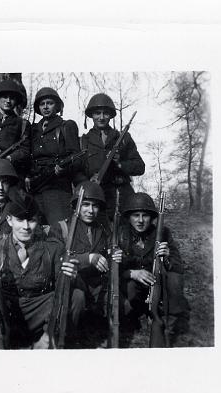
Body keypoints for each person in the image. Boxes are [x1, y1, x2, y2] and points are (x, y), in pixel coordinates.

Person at [0, 190, 83, 348]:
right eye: (20, 220)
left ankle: (50, 338)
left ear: (38, 221)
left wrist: (72, 277)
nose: (26, 227)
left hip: (40, 313)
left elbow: (69, 287)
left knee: (76, 295)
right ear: (9, 220)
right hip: (4, 312)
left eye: (31, 220)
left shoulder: (53, 248)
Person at [119, 192, 190, 345]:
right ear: (129, 217)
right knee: (129, 291)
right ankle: (138, 314)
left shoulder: (163, 233)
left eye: (145, 215)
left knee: (174, 279)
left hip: (157, 286)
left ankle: (162, 318)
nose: (140, 220)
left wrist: (167, 256)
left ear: (151, 218)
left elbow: (178, 266)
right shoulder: (121, 235)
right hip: (133, 287)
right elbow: (113, 269)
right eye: (136, 215)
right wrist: (131, 273)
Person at [49, 181, 122, 317]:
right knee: (78, 300)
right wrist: (88, 258)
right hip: (72, 285)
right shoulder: (61, 228)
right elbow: (56, 260)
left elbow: (110, 254)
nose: (90, 210)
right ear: (75, 205)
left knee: (121, 306)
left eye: (95, 206)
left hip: (97, 287)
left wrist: (116, 256)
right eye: (86, 204)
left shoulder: (103, 230)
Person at [78, 93, 145, 222]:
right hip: (96, 198)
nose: (101, 117)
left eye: (106, 113)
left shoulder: (123, 138)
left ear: (111, 115)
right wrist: (88, 182)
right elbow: (77, 172)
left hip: (122, 195)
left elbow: (140, 167)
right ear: (91, 115)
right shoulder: (83, 141)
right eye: (97, 113)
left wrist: (120, 164)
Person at [27, 87, 82, 225]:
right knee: (35, 230)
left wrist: (64, 169)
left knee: (59, 230)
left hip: (57, 189)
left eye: (50, 103)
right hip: (35, 189)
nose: (45, 107)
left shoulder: (66, 126)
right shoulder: (33, 130)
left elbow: (77, 158)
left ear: (57, 106)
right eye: (42, 104)